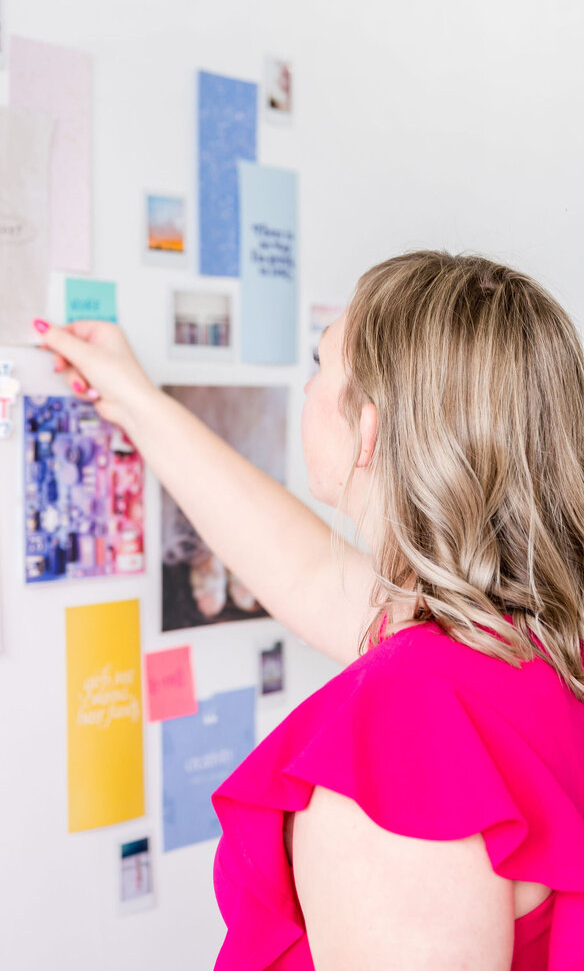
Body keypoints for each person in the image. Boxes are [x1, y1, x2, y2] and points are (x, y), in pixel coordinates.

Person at [35, 250, 584, 970]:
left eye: (320, 363)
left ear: (369, 430)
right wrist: (133, 399)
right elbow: (298, 569)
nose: (308, 385)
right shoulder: (517, 642)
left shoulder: (403, 735)